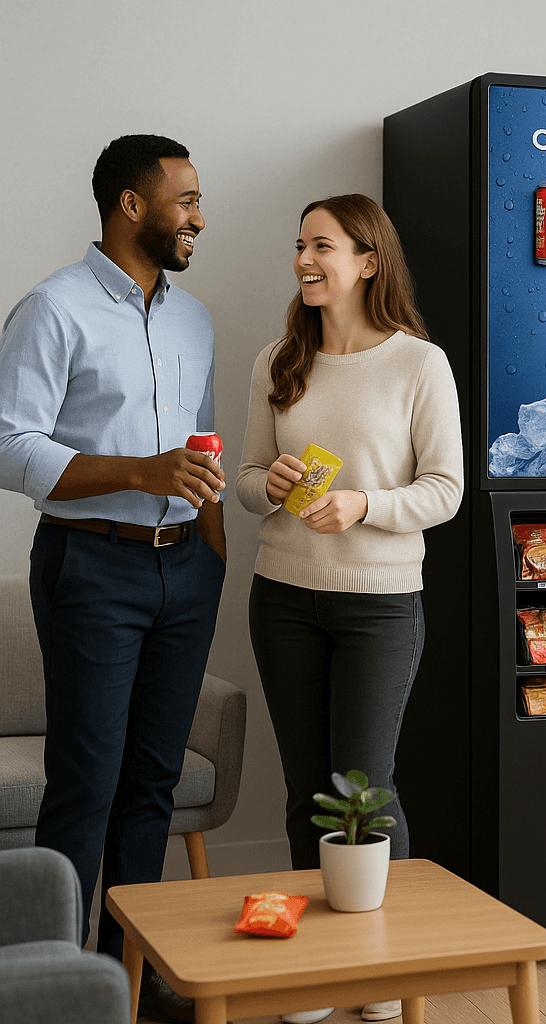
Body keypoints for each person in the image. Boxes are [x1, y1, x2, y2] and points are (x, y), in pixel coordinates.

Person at [0, 134, 226, 1023]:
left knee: (152, 784)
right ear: (131, 205)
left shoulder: (194, 318)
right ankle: (47, 987)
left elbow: (199, 452)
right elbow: (9, 445)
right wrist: (142, 471)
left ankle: (133, 975)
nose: (200, 218)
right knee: (86, 781)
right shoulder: (51, 308)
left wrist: (212, 553)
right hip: (90, 566)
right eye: (187, 200)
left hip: (185, 574)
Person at [236, 194, 463, 1024]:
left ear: (368, 260)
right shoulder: (276, 360)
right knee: (305, 793)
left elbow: (446, 489)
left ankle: (381, 968)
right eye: (299, 244)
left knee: (363, 791)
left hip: (379, 607)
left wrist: (363, 505)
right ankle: (320, 974)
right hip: (285, 599)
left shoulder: (418, 364)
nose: (304, 258)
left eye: (321, 245)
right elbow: (247, 479)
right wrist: (276, 486)